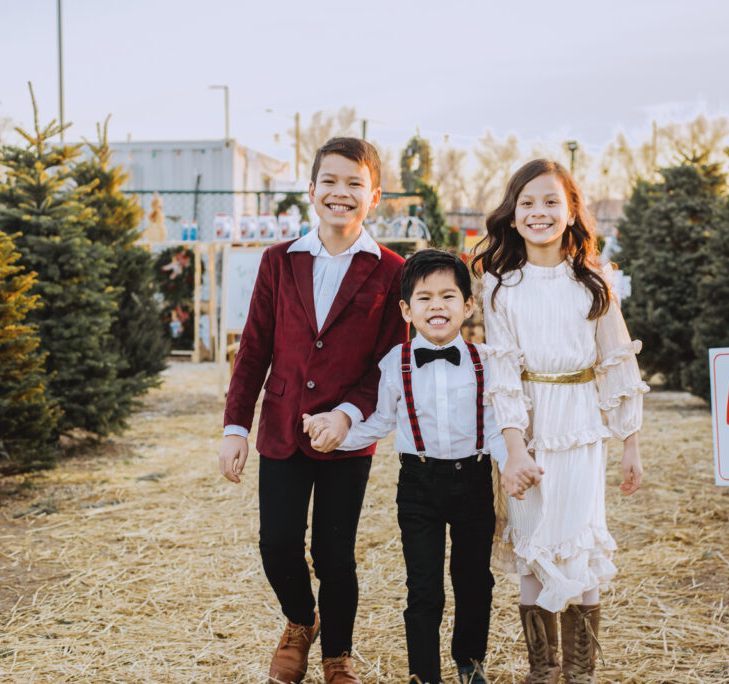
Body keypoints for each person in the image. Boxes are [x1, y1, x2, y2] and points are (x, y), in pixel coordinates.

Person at [218, 137, 408, 684]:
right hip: (281, 427)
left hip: (346, 437)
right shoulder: (279, 261)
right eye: (330, 181)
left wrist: (347, 415)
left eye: (354, 184)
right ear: (311, 190)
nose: (340, 193)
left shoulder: (392, 270)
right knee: (277, 543)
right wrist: (235, 427)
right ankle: (300, 623)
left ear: (374, 197)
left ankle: (337, 655)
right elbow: (254, 349)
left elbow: (386, 362)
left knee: (334, 554)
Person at [304, 249, 538, 684]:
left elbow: (495, 430)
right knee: (423, 586)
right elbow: (380, 421)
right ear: (406, 310)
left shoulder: (487, 362)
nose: (437, 306)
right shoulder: (396, 363)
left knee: (474, 582)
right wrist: (336, 433)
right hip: (418, 484)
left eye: (448, 296)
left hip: (472, 481)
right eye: (424, 298)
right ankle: (423, 674)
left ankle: (469, 660)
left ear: (468, 306)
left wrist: (509, 466)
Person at [471, 159, 648, 683]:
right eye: (527, 202)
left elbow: (618, 361)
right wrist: (514, 448)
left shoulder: (593, 282)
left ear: (571, 212)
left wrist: (630, 442)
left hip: (581, 425)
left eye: (551, 201)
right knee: (532, 546)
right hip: (527, 428)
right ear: (512, 213)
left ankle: (580, 673)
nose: (539, 212)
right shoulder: (501, 287)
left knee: (579, 542)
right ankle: (543, 672)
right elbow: (501, 371)